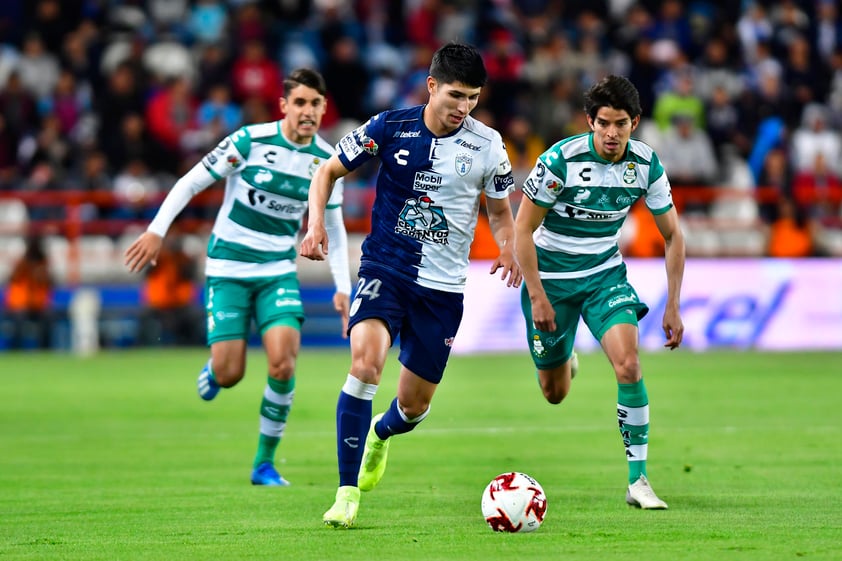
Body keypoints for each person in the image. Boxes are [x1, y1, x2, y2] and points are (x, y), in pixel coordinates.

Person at [299, 41, 522, 528]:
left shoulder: (488, 145)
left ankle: (380, 433)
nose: (463, 108)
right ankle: (346, 492)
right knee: (365, 365)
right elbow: (327, 171)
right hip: (386, 269)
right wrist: (315, 222)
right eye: (455, 96)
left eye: (473, 98)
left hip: (442, 290)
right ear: (432, 87)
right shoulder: (388, 126)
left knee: (414, 406)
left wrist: (507, 244)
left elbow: (501, 213)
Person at [124, 68, 352, 486]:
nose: (307, 111)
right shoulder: (250, 141)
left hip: (277, 272)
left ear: (323, 109)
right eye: (299, 102)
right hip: (228, 267)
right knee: (231, 373)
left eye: (315, 104)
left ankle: (264, 463)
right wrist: (157, 231)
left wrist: (343, 288)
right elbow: (191, 182)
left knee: (283, 363)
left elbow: (334, 228)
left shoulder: (326, 161)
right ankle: (216, 371)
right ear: (283, 105)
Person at [514, 75, 685, 510]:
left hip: (604, 277)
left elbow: (673, 235)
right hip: (551, 282)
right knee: (554, 393)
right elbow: (522, 229)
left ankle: (638, 480)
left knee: (628, 365)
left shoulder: (646, 165)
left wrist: (673, 303)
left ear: (636, 122)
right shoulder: (560, 161)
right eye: (604, 123)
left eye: (621, 124)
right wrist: (536, 296)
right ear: (590, 121)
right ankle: (564, 357)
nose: (612, 133)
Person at [2, 235, 53, 349]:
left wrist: (40, 272)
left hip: (37, 305)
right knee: (20, 318)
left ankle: (44, 349)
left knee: (48, 317)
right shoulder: (22, 263)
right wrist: (27, 267)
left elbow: (50, 283)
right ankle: (17, 349)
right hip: (19, 305)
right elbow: (12, 278)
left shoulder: (43, 265)